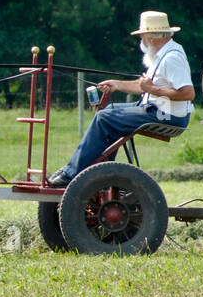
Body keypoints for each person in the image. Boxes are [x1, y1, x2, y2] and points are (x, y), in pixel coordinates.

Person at [47, 11, 195, 187]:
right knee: (108, 111)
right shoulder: (161, 54)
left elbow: (188, 93)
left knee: (104, 118)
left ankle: (72, 173)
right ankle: (97, 172)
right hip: (157, 108)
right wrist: (116, 84)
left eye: (143, 37)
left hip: (167, 115)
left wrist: (152, 88)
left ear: (153, 37)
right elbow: (144, 87)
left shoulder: (172, 58)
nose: (142, 41)